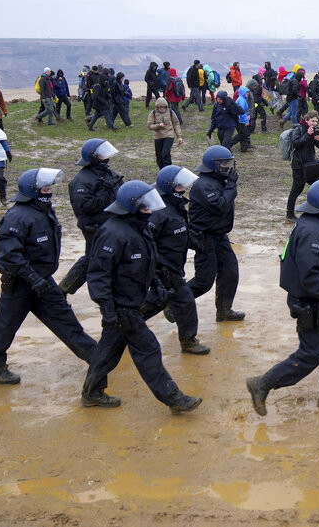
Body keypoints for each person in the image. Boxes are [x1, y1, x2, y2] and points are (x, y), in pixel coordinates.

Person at [81, 181, 202, 412]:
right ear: (131, 207)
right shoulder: (113, 233)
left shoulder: (139, 227)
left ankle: (91, 393)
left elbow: (149, 260)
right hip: (121, 307)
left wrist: (156, 284)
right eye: (146, 207)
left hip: (132, 302)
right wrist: (108, 310)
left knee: (108, 350)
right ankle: (174, 399)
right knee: (148, 350)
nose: (150, 210)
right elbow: (98, 275)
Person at [245, 179, 319, 416]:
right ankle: (262, 383)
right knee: (311, 353)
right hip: (312, 303)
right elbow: (311, 277)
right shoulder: (313, 232)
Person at [0, 168, 98, 384]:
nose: (49, 191)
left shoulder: (43, 210)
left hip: (43, 281)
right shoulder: (17, 217)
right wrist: (32, 278)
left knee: (66, 321)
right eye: (45, 188)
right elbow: (8, 256)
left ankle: (96, 357)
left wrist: (40, 280)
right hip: (20, 284)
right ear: (32, 190)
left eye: (49, 188)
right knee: (5, 327)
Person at [149, 165, 211, 354]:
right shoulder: (158, 211)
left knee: (170, 301)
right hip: (163, 269)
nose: (183, 190)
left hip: (173, 267)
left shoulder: (175, 207)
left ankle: (123, 327)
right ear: (168, 188)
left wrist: (195, 242)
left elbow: (179, 233)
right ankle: (188, 341)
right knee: (181, 301)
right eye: (179, 187)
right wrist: (156, 269)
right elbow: (146, 242)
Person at [59, 139, 124, 295]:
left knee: (106, 258)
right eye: (102, 154)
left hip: (111, 223)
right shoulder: (82, 180)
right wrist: (104, 191)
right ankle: (62, 290)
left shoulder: (107, 172)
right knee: (93, 259)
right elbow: (86, 207)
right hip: (94, 226)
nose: (106, 156)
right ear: (94, 157)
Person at [187, 145, 244, 321]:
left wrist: (228, 185)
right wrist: (231, 187)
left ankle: (224, 310)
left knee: (230, 272)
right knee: (204, 281)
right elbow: (221, 206)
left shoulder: (218, 181)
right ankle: (173, 302)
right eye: (224, 164)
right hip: (204, 237)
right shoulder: (204, 185)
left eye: (228, 163)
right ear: (213, 165)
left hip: (219, 235)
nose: (227, 167)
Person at [286, 114, 319, 220]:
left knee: (317, 187)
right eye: (312, 121)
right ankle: (290, 214)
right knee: (296, 189)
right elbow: (295, 143)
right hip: (298, 164)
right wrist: (308, 135)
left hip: (310, 164)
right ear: (306, 120)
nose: (314, 123)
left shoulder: (315, 130)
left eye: (316, 121)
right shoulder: (299, 128)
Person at [147, 97, 183, 169]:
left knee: (165, 154)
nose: (162, 109)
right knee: (159, 157)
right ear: (157, 107)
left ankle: (168, 170)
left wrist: (179, 136)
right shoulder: (153, 113)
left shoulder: (171, 112)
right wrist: (158, 126)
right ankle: (162, 170)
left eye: (164, 107)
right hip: (158, 137)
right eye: (160, 107)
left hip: (169, 135)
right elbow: (149, 125)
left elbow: (176, 124)